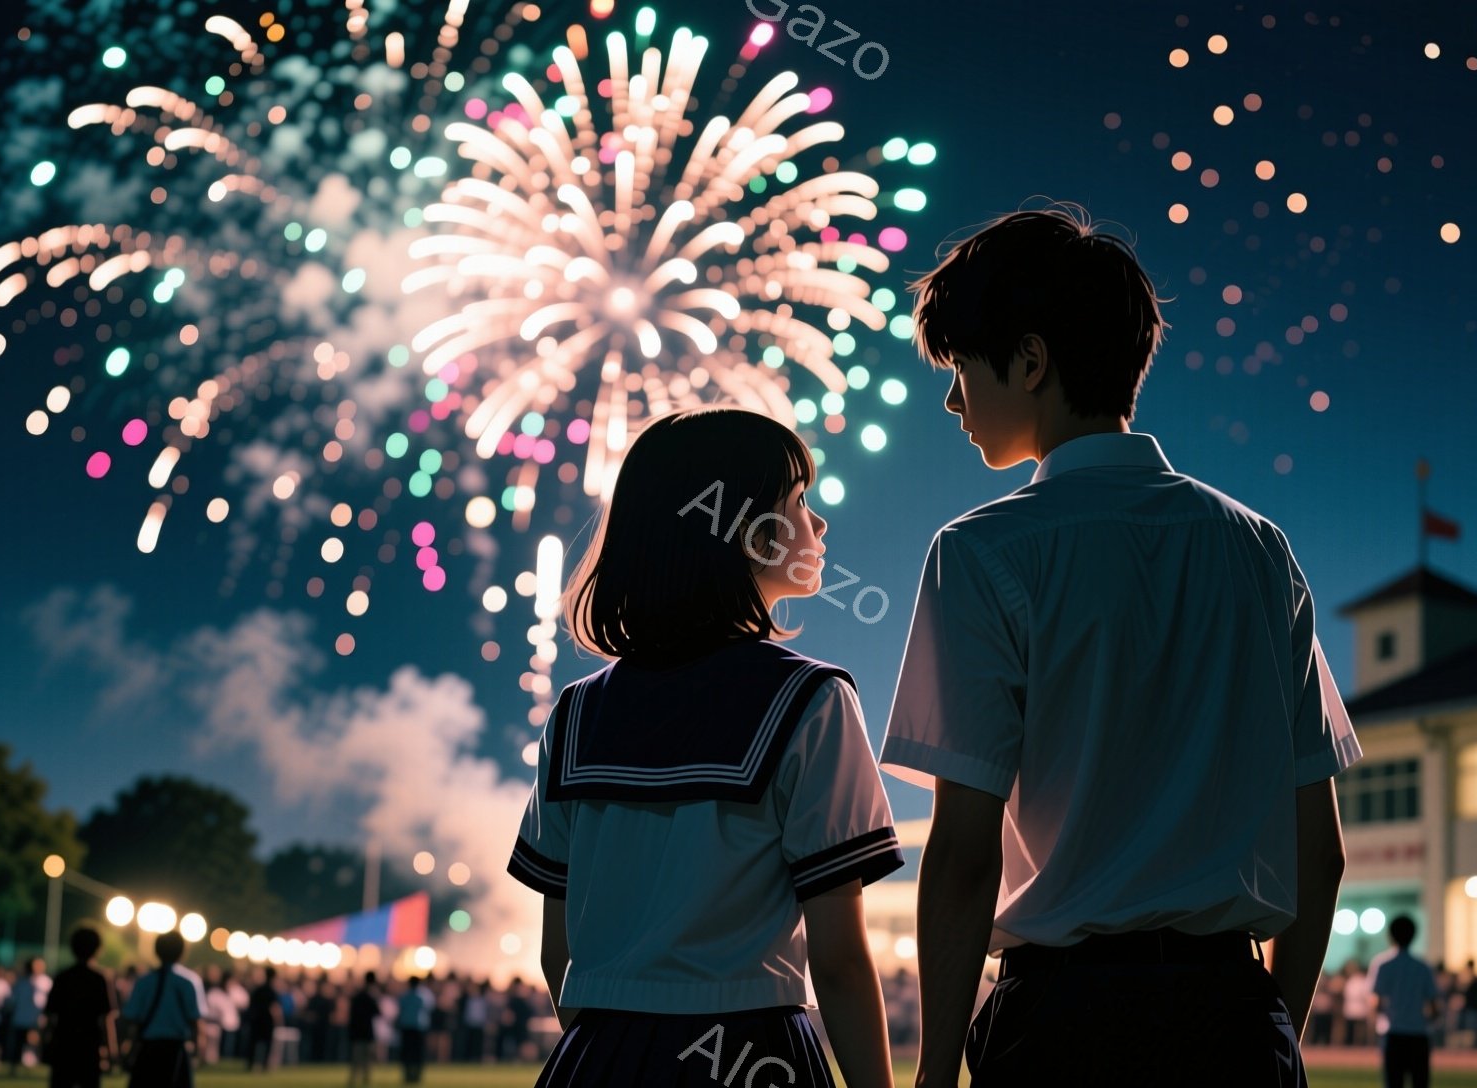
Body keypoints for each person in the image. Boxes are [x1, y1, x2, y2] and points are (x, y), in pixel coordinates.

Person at [876, 204, 1359, 1087]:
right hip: (1231, 1017)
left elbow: (963, 853)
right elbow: (1318, 853)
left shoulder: (982, 551)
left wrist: (936, 1072)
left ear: (1029, 360)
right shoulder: (1258, 549)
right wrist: (1271, 1028)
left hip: (1062, 1022)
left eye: (961, 368)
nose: (952, 399)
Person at [506, 407, 903, 1088]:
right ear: (747, 532)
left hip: (596, 1053)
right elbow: (837, 960)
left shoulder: (577, 713)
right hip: (757, 1049)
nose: (820, 523)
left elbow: (558, 952)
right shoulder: (811, 700)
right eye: (801, 501)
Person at [120, 933, 209, 1088]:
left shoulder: (143, 981)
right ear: (182, 952)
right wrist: (198, 1049)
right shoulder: (189, 981)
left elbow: (132, 1018)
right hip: (176, 1049)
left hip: (148, 1048)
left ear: (156, 951)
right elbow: (195, 1019)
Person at [1369, 916, 1439, 1088]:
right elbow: (1434, 1006)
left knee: (1394, 1082)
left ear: (1390, 936)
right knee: (1420, 1082)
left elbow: (1376, 1002)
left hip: (1393, 1033)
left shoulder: (1383, 964)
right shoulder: (1423, 966)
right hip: (1418, 1034)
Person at [45, 927, 119, 1088]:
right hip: (89, 1047)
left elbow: (50, 1016)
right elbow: (106, 1019)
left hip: (64, 1045)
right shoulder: (100, 979)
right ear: (98, 949)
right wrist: (111, 1051)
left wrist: (47, 1043)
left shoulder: (62, 977)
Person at [6, 958, 51, 1075]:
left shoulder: (46, 982)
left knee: (33, 1044)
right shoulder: (21, 983)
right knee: (18, 1044)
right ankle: (15, 1068)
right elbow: (12, 1001)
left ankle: (32, 1066)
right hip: (21, 1019)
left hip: (36, 1020)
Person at [243, 968, 281, 1072]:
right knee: (267, 1044)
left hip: (255, 1020)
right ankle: (264, 1064)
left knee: (253, 1043)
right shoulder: (271, 991)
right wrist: (278, 1020)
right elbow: (274, 1008)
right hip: (267, 1021)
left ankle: (250, 1064)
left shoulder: (257, 990)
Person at [346, 973, 380, 1088]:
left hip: (357, 1031)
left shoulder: (357, 996)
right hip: (367, 1030)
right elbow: (377, 1012)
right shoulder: (371, 996)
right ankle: (365, 1078)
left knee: (356, 1057)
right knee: (367, 1056)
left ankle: (353, 1079)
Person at [395, 976, 430, 1085]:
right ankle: (417, 1076)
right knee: (418, 1053)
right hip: (418, 1028)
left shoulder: (404, 997)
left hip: (406, 1028)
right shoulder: (422, 997)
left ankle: (407, 1075)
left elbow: (399, 1011)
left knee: (407, 1053)